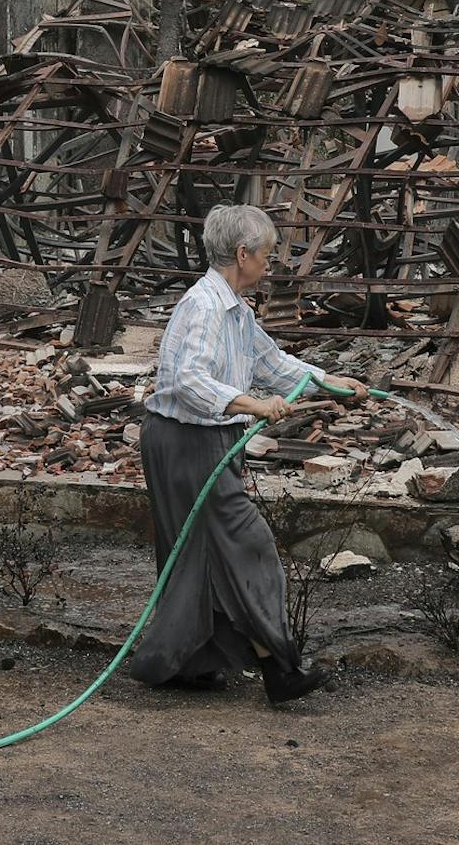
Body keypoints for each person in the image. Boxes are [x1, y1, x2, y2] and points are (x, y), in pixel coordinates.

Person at [126, 203, 366, 703]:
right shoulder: (205, 307)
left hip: (201, 441)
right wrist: (252, 405)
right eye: (268, 256)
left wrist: (327, 381)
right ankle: (280, 667)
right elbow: (186, 380)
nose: (270, 265)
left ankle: (187, 663)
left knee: (200, 554)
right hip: (183, 441)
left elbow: (269, 360)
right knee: (248, 545)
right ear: (242, 253)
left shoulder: (234, 307)